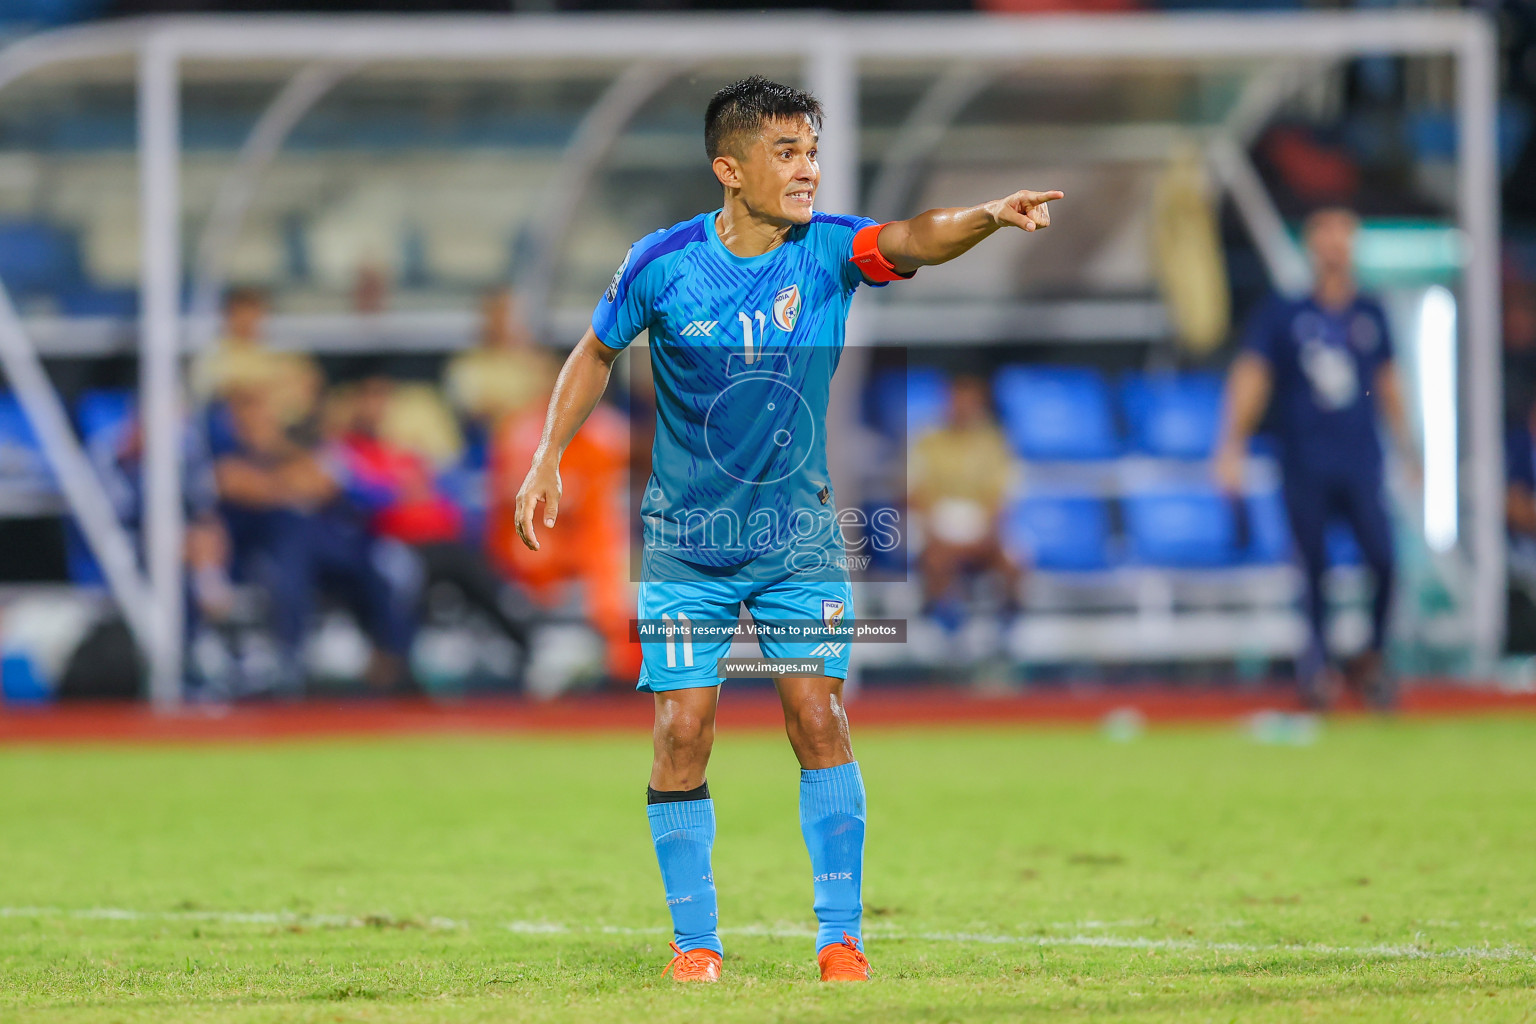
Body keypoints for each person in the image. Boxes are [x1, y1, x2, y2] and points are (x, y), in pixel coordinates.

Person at [512, 76, 1062, 983]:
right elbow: (596, 350)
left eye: (811, 150)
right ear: (729, 168)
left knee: (817, 714)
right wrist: (547, 458)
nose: (808, 168)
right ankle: (697, 948)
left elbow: (916, 235)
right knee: (682, 734)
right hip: (686, 544)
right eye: (786, 152)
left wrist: (992, 216)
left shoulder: (830, 252)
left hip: (797, 537)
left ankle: (840, 937)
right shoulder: (663, 262)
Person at [1214, 207, 1417, 710]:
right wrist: (1230, 445)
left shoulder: (1370, 313)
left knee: (1385, 560)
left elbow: (1389, 384)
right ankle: (1319, 669)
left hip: (1360, 460)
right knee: (1314, 569)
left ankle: (1371, 656)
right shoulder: (1284, 314)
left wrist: (1410, 448)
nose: (1335, 244)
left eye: (1344, 234)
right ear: (1310, 243)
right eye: (1326, 233)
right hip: (1304, 461)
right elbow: (1251, 378)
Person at [909, 374, 1025, 631]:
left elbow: (1000, 496)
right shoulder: (927, 441)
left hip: (980, 524)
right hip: (938, 523)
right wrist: (935, 530)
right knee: (937, 560)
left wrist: (986, 533)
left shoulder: (994, 443)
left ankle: (1008, 627)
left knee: (1013, 563)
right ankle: (942, 623)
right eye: (957, 400)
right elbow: (915, 493)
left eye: (969, 401)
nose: (962, 407)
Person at [190, 286, 322, 434]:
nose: (248, 320)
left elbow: (309, 384)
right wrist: (266, 390)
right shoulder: (215, 353)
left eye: (254, 312)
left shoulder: (286, 348)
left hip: (294, 428)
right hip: (238, 435)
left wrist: (262, 389)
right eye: (240, 314)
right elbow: (227, 395)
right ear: (228, 316)